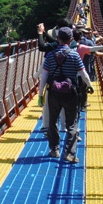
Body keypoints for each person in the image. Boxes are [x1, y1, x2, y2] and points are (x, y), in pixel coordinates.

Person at [39, 27, 92, 163]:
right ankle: (70, 153)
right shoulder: (74, 55)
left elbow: (44, 77)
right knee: (72, 123)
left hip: (53, 93)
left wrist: (40, 95)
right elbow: (83, 74)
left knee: (53, 121)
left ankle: (54, 149)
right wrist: (90, 86)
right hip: (70, 94)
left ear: (57, 39)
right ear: (71, 39)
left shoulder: (50, 55)